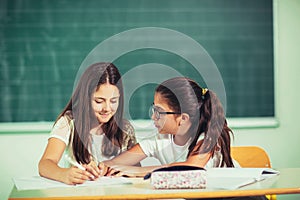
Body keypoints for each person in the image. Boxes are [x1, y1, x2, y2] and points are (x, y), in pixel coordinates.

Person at [99, 77, 237, 177]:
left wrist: (139, 171)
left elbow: (191, 167)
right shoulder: (160, 140)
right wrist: (99, 168)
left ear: (182, 118)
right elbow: (115, 163)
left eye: (159, 112)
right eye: (153, 109)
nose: (153, 117)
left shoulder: (207, 138)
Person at [38, 62, 137, 185]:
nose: (107, 108)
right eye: (99, 101)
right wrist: (64, 174)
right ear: (86, 98)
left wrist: (118, 169)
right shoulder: (69, 122)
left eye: (113, 101)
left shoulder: (125, 129)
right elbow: (45, 164)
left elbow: (137, 170)